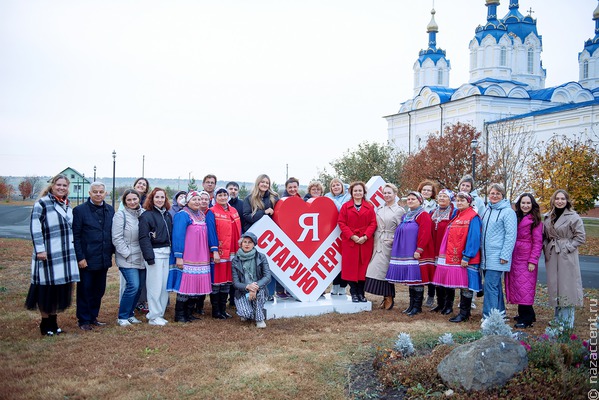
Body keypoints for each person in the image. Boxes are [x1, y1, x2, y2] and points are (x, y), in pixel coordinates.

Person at [26, 174, 80, 336]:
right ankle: (45, 325)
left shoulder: (67, 205)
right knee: (46, 291)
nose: (61, 188)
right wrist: (40, 249)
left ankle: (54, 324)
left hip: (64, 256)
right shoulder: (42, 204)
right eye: (59, 185)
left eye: (64, 186)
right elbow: (35, 228)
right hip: (48, 255)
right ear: (52, 185)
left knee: (59, 290)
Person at [432, 192, 482, 323]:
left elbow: (474, 237)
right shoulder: (457, 215)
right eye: (458, 200)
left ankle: (464, 313)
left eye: (462, 200)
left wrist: (467, 256)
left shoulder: (473, 217)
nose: (459, 202)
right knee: (461, 284)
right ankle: (460, 311)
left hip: (466, 257)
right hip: (455, 255)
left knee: (466, 285)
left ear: (469, 202)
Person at [168, 191, 218, 322]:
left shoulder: (201, 215)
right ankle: (180, 314)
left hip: (201, 256)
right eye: (194, 199)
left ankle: (189, 313)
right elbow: (178, 236)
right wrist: (179, 256)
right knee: (185, 284)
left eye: (199, 199)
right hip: (188, 255)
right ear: (187, 201)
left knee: (195, 285)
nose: (197, 202)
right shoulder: (182, 215)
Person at [72, 182, 115, 331]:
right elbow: (76, 236)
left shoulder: (110, 210)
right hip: (87, 259)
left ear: (105, 193)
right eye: (95, 192)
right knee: (85, 290)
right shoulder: (79, 211)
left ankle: (93, 317)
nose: (98, 194)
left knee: (99, 290)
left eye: (101, 192)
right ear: (89, 193)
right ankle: (83, 320)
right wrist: (80, 257)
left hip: (103, 258)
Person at [386, 191, 435, 316]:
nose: (410, 201)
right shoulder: (406, 215)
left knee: (416, 278)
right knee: (411, 279)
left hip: (416, 252)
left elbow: (425, 233)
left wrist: (420, 249)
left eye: (413, 199)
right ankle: (411, 305)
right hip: (406, 251)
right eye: (408, 199)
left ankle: (417, 307)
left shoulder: (423, 215)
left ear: (420, 201)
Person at [543, 189, 585, 329]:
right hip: (553, 254)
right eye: (557, 198)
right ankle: (557, 318)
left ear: (567, 201)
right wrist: (546, 247)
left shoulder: (574, 217)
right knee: (555, 286)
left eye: (563, 199)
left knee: (567, 286)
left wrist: (568, 247)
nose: (560, 201)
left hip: (566, 254)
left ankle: (567, 321)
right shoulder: (548, 216)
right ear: (553, 200)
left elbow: (580, 237)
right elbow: (545, 235)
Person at [505, 193, 543, 329]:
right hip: (515, 256)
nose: (525, 205)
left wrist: (533, 260)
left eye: (528, 203)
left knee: (525, 287)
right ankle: (528, 314)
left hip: (526, 258)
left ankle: (526, 319)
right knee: (519, 287)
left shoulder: (535, 220)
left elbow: (538, 243)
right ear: (519, 204)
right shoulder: (515, 217)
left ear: (532, 204)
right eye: (523, 203)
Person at [242, 174, 283, 299]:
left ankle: (270, 294)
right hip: (254, 236)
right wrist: (264, 213)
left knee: (271, 266)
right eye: (262, 182)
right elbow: (247, 216)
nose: (265, 184)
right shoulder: (250, 198)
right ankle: (253, 294)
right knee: (256, 267)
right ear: (258, 183)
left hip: (271, 237)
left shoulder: (274, 198)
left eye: (267, 182)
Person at [364, 183, 404, 310]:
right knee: (374, 270)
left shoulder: (399, 210)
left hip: (389, 243)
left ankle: (389, 297)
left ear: (395, 194)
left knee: (384, 271)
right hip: (377, 241)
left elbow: (401, 229)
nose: (386, 195)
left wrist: (393, 240)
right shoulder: (380, 208)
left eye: (389, 193)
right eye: (385, 193)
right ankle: (386, 296)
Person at [480, 183, 517, 319]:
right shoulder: (486, 210)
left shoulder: (508, 212)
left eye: (498, 194)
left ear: (502, 196)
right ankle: (500, 315)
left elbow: (510, 235)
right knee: (494, 286)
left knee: (490, 286)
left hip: (498, 255)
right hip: (485, 255)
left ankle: (488, 318)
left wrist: (505, 254)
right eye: (492, 193)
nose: (494, 196)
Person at [338, 181, 377, 303]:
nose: (358, 193)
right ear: (351, 192)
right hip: (350, 242)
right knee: (350, 268)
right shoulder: (345, 206)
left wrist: (365, 236)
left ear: (364, 192)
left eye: (360, 190)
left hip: (365, 242)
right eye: (355, 191)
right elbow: (341, 223)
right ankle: (354, 292)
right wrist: (352, 236)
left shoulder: (369, 206)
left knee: (363, 268)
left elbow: (373, 223)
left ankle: (361, 293)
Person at [139, 188, 173, 326]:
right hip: (155, 254)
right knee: (155, 286)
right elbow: (143, 238)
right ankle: (153, 316)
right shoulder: (146, 216)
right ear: (152, 199)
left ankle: (160, 313)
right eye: (157, 197)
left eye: (162, 197)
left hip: (167, 253)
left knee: (165, 286)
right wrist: (149, 257)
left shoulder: (167, 215)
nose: (160, 200)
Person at [112, 189, 145, 326]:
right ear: (125, 201)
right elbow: (116, 237)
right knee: (133, 285)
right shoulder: (121, 216)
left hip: (142, 257)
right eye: (129, 200)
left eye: (134, 199)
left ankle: (131, 314)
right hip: (127, 257)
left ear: (139, 199)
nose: (132, 202)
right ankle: (122, 316)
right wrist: (126, 253)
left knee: (139, 287)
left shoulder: (143, 213)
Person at [210, 187, 241, 319]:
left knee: (228, 280)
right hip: (220, 252)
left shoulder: (234, 211)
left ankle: (223, 309)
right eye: (220, 195)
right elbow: (211, 232)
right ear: (215, 197)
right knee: (217, 281)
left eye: (225, 195)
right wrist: (214, 250)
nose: (223, 197)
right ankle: (216, 311)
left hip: (233, 251)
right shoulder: (212, 212)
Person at [231, 232, 272, 328]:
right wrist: (247, 287)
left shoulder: (261, 257)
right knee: (246, 314)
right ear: (241, 244)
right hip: (242, 291)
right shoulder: (235, 260)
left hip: (258, 289)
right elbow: (235, 283)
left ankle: (259, 319)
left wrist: (254, 287)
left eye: (250, 242)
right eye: (244, 242)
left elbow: (267, 276)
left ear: (254, 244)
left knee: (260, 292)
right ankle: (249, 311)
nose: (247, 244)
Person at [429, 189, 457, 314]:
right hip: (434, 248)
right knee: (437, 276)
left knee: (447, 276)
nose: (441, 198)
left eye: (445, 196)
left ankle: (448, 305)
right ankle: (440, 303)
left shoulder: (454, 212)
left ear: (450, 199)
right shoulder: (432, 212)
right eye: (440, 196)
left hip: (447, 248)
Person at [325, 177, 351, 295]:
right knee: (333, 259)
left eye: (338, 185)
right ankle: (335, 285)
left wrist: (332, 202)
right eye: (333, 185)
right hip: (331, 231)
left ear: (342, 187)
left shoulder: (348, 197)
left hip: (344, 230)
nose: (336, 187)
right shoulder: (327, 196)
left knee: (344, 259)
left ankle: (343, 286)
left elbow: (343, 210)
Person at [418, 180, 438, 307]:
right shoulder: (414, 203)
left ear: (432, 193)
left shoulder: (435, 206)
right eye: (424, 190)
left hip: (431, 239)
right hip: (418, 239)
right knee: (419, 267)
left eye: (428, 190)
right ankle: (418, 294)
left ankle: (431, 295)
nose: (426, 192)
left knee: (430, 267)